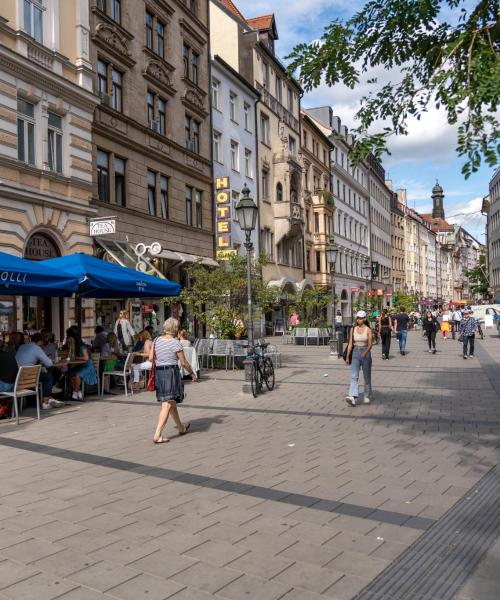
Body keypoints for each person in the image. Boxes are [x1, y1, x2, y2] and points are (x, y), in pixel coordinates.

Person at [149, 317, 196, 444]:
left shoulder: (156, 340)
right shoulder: (176, 343)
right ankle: (157, 435)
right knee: (167, 403)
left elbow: (150, 357)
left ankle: (181, 428)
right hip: (170, 372)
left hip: (159, 372)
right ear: (175, 329)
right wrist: (192, 373)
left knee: (171, 402)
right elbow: (184, 362)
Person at [15, 333, 64, 410]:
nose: (43, 345)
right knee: (48, 377)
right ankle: (46, 402)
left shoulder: (22, 346)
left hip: (17, 377)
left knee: (43, 374)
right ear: (40, 341)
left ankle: (49, 396)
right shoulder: (37, 348)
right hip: (29, 379)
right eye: (42, 343)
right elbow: (49, 364)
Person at [345, 310, 373, 407]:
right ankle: (353, 396)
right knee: (354, 376)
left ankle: (367, 395)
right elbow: (350, 344)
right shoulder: (353, 329)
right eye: (358, 318)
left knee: (366, 376)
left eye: (361, 318)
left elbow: (370, 344)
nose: (359, 320)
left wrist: (365, 353)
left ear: (364, 319)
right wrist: (348, 356)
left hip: (366, 353)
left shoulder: (368, 330)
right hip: (356, 353)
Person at [67, 330, 98, 400]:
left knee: (77, 374)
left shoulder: (82, 347)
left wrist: (76, 357)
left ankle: (75, 392)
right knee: (71, 372)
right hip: (82, 365)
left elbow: (86, 358)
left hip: (88, 366)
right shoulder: (76, 348)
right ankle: (78, 391)